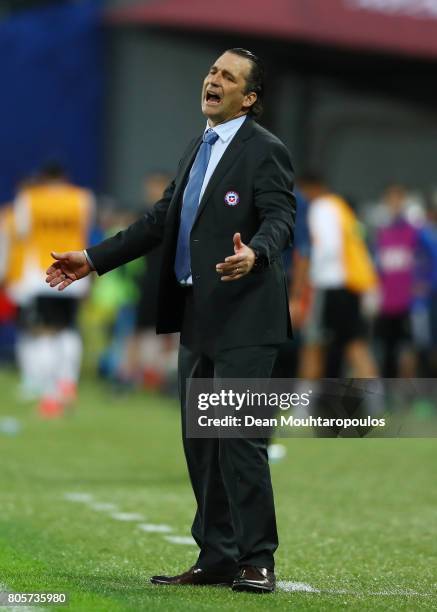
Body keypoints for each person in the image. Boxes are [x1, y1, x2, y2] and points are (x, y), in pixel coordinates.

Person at [45, 48, 295, 593]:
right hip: (198, 312)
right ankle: (218, 555)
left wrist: (255, 251)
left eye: (228, 77)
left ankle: (258, 559)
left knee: (239, 436)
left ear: (249, 98)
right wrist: (92, 258)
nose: (214, 80)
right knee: (201, 442)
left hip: (247, 317)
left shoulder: (265, 151)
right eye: (211, 71)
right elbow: (161, 220)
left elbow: (280, 217)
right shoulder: (198, 147)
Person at [13, 163, 94, 414]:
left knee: (44, 332)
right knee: (68, 328)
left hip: (41, 273)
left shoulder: (30, 199)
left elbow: (21, 231)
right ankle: (68, 382)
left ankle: (49, 394)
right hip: (74, 271)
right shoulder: (82, 198)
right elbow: (86, 230)